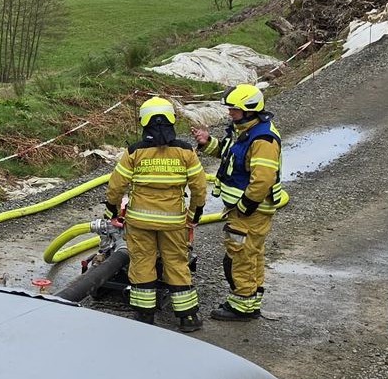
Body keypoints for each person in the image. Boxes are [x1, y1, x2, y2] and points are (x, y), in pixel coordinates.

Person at [104, 97, 207, 331]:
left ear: (144, 122)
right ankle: (188, 317)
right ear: (172, 119)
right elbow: (199, 188)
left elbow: (116, 187)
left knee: (142, 264)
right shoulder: (185, 151)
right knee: (177, 264)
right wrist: (194, 214)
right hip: (174, 222)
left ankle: (144, 318)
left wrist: (112, 210)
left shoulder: (134, 152)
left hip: (140, 222)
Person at [191, 83, 288, 322]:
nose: (229, 112)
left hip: (249, 212)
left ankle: (241, 307)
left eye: (234, 109)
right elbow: (231, 154)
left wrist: (244, 207)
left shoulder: (263, 139)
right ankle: (248, 301)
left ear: (249, 109)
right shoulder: (247, 130)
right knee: (250, 255)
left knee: (240, 256)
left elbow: (262, 180)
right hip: (246, 211)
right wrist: (207, 142)